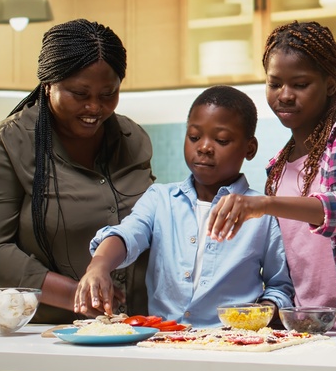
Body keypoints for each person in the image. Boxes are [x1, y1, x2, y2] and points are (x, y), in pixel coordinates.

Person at [208, 21, 336, 327]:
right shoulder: (277, 167)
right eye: (275, 84)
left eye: (300, 84)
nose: (285, 95)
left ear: (330, 83)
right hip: (307, 330)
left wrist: (265, 204)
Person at [0, 19, 155, 324]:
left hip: (137, 328)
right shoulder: (5, 145)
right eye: (80, 93)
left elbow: (150, 222)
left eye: (108, 93)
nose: (95, 107)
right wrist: (76, 295)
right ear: (49, 84)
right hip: (46, 333)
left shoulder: (133, 139)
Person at [74, 85, 294, 328]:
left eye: (221, 140)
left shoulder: (262, 215)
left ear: (249, 148)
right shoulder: (160, 199)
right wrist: (100, 264)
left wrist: (263, 311)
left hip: (233, 344)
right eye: (194, 137)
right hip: (164, 341)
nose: (204, 147)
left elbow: (280, 287)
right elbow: (128, 234)